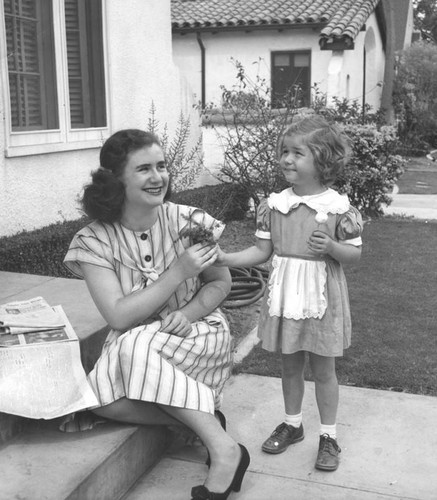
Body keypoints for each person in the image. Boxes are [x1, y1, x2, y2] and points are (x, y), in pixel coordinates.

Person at [63, 129, 250, 500]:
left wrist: (188, 311)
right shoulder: (92, 240)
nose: (158, 177)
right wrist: (177, 273)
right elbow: (118, 317)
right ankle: (205, 421)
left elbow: (220, 283)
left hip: (197, 333)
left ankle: (225, 451)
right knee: (100, 400)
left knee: (133, 351)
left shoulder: (189, 220)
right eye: (144, 169)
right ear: (116, 179)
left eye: (162, 166)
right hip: (134, 342)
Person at [216, 114, 363, 472]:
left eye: (297, 153)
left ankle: (328, 435)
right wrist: (224, 257)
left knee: (324, 369)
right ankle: (293, 424)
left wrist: (331, 245)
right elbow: (261, 253)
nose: (286, 159)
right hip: (285, 295)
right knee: (290, 365)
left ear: (323, 160)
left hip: (321, 299)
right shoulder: (275, 206)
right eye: (284, 151)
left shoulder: (338, 209)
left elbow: (354, 254)